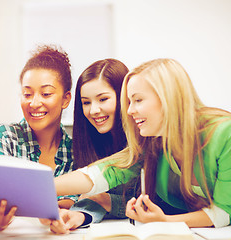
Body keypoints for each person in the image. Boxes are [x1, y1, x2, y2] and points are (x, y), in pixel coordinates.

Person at [52, 58, 231, 230]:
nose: (129, 111)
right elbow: (106, 172)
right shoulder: (156, 141)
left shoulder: (224, 133)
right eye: (129, 102)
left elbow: (223, 213)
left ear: (168, 98)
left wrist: (165, 221)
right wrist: (46, 187)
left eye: (137, 100)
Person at [0, 45, 74, 230]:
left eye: (46, 94)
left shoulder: (76, 150)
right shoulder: (3, 136)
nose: (34, 102)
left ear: (65, 99)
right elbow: (0, 199)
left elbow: (78, 202)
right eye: (27, 94)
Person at [42, 59, 138, 233]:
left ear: (125, 97)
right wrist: (79, 215)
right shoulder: (91, 140)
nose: (93, 110)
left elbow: (144, 200)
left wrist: (108, 201)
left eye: (103, 99)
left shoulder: (144, 139)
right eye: (86, 102)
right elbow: (94, 195)